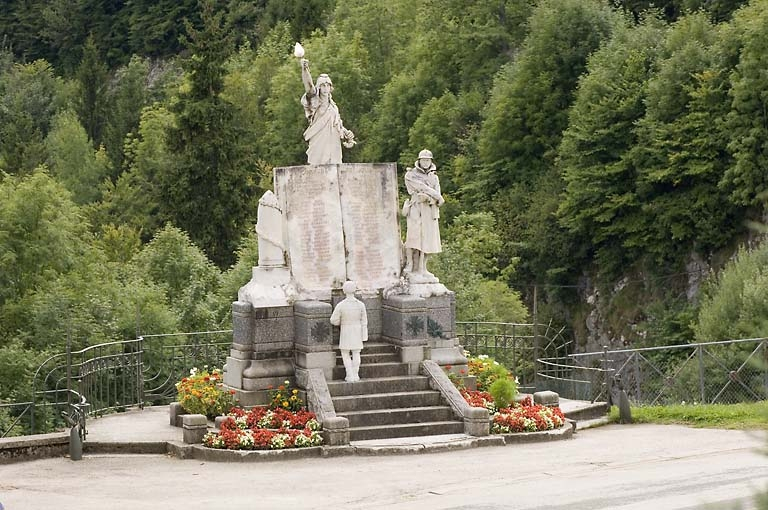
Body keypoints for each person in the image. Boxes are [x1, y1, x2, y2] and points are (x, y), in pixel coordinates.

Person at [300, 58, 355, 165]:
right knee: (317, 167)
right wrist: (305, 69)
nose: (325, 88)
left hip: (333, 143)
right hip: (319, 141)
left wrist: (346, 133)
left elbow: (337, 124)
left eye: (327, 85)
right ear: (319, 87)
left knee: (335, 169)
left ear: (330, 87)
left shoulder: (334, 107)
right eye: (323, 85)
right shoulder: (315, 102)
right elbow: (309, 88)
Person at [402, 149, 444, 280]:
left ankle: (423, 268)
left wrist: (432, 199)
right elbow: (421, 187)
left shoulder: (434, 177)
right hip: (416, 208)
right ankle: (410, 265)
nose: (425, 162)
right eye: (423, 160)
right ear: (419, 160)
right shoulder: (411, 174)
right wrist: (437, 196)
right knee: (413, 237)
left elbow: (437, 195)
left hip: (430, 210)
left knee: (429, 240)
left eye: (428, 160)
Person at [329, 281, 368, 382]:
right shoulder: (361, 305)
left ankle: (350, 374)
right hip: (357, 330)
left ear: (344, 291)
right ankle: (355, 374)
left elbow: (333, 320)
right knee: (356, 353)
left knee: (345, 353)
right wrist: (364, 336)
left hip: (346, 330)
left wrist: (340, 322)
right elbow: (364, 321)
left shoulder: (341, 305)